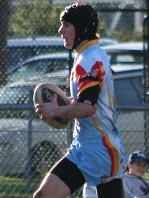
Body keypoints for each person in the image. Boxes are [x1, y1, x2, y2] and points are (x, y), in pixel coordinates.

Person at [33, 3, 126, 198]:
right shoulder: (88, 55)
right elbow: (86, 102)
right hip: (87, 145)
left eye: (66, 25)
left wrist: (56, 111)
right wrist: (63, 103)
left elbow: (87, 108)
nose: (60, 30)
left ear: (82, 28)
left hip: (100, 150)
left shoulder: (90, 60)